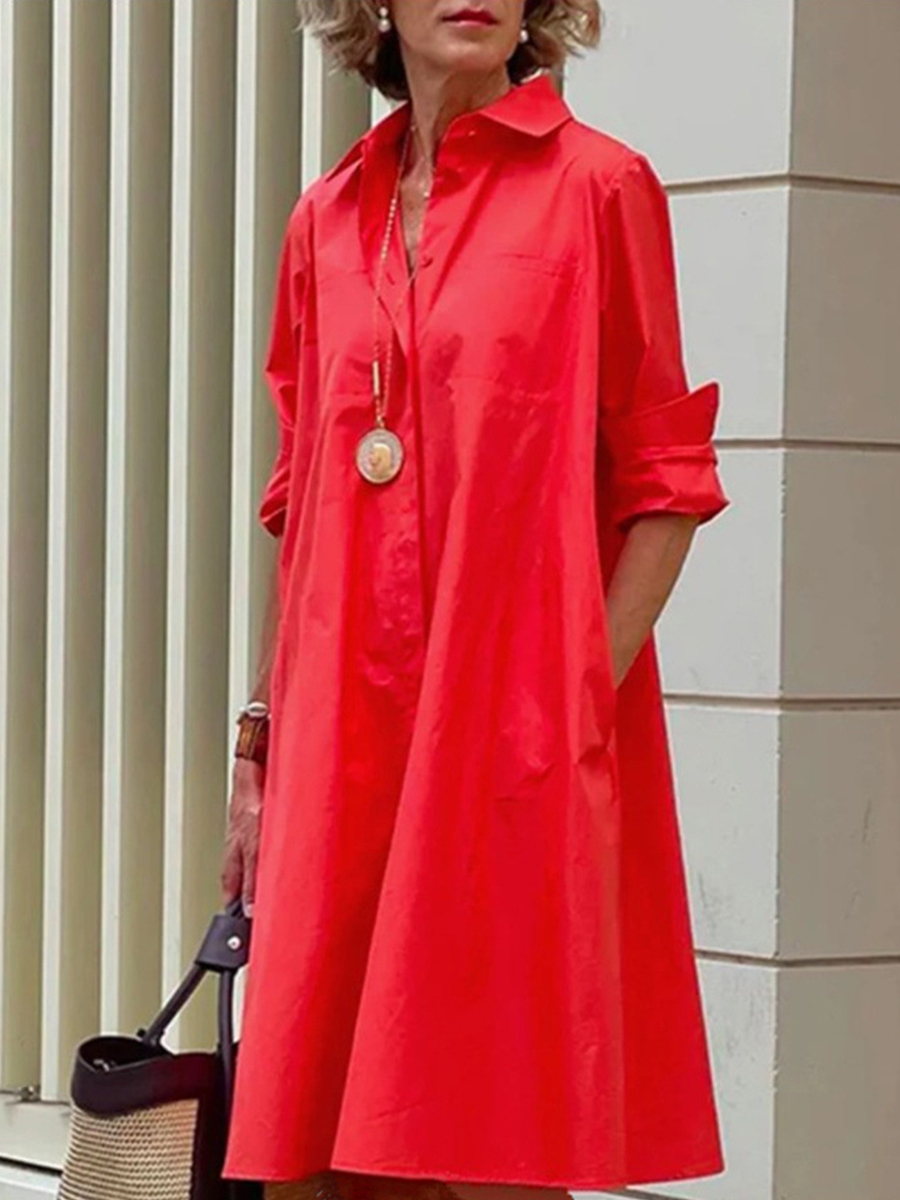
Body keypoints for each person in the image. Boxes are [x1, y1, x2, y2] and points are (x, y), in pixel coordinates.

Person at [220, 3, 730, 1199]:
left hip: (510, 742)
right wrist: (261, 735)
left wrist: (571, 696)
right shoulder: (323, 219)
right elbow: (306, 508)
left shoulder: (601, 189)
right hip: (339, 740)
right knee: (315, 1151)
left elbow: (666, 482)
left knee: (495, 1135)